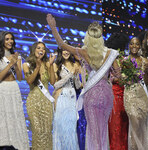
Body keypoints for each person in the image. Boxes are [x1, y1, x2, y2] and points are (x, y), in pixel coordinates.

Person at [46, 14, 120, 150]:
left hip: (92, 94)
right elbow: (118, 75)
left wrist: (53, 28)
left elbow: (61, 44)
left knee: (93, 130)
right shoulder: (111, 53)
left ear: (88, 37)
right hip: (106, 94)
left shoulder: (83, 51)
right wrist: (109, 77)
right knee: (103, 128)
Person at [23, 41, 56, 150]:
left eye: (43, 48)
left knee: (46, 132)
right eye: (38, 48)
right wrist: (37, 67)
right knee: (37, 131)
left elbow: (52, 81)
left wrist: (51, 65)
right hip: (33, 101)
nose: (41, 50)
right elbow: (29, 81)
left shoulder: (47, 64)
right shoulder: (26, 65)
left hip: (46, 102)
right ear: (34, 50)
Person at [0, 31, 29, 150]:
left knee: (15, 115)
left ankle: (16, 143)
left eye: (11, 39)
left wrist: (16, 63)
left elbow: (20, 77)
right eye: (7, 39)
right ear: (2, 41)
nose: (10, 41)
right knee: (4, 116)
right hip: (3, 88)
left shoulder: (17, 56)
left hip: (14, 88)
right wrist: (10, 64)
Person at [52, 40, 81, 150]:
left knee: (71, 128)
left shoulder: (74, 64)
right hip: (62, 97)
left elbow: (78, 86)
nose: (66, 52)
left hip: (72, 98)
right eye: (64, 49)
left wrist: (76, 75)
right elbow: (56, 84)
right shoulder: (56, 65)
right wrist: (70, 74)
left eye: (68, 49)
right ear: (60, 50)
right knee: (61, 128)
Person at [123, 37, 148, 150]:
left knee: (141, 126)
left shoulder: (144, 60)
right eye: (132, 44)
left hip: (141, 94)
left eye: (137, 44)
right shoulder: (124, 60)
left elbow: (147, 82)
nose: (134, 46)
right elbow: (121, 80)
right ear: (129, 45)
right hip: (130, 95)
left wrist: (146, 70)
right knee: (135, 123)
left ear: (139, 46)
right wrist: (127, 78)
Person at [105, 33, 129, 150]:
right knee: (115, 125)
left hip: (126, 94)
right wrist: (116, 79)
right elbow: (107, 77)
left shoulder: (126, 60)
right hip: (114, 94)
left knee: (124, 125)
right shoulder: (109, 59)